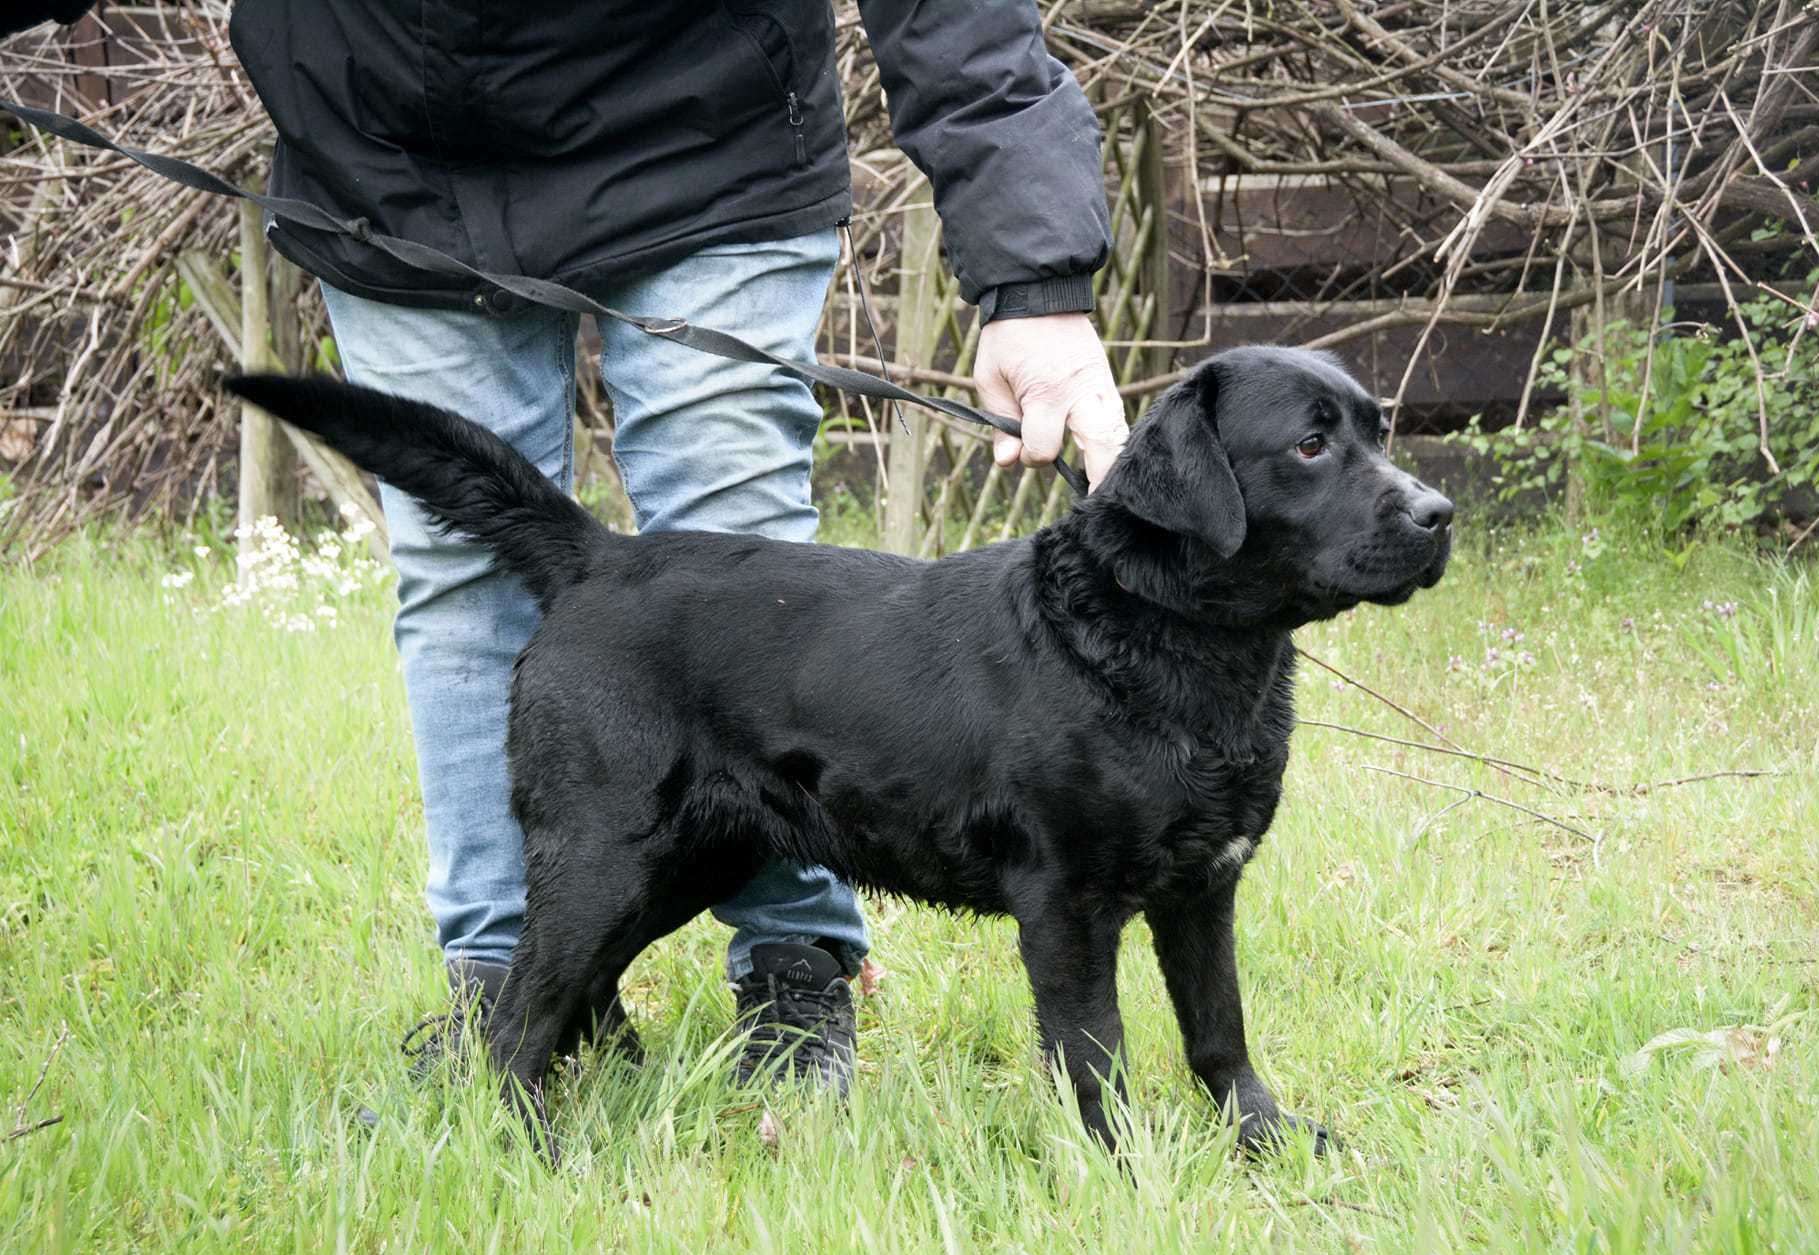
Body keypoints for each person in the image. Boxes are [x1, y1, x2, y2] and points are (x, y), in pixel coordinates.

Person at [8, 1, 1129, 1093]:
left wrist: (1031, 273)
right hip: (398, 146)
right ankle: (518, 987)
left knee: (743, 549)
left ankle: (794, 966)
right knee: (467, 575)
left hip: (706, 128)